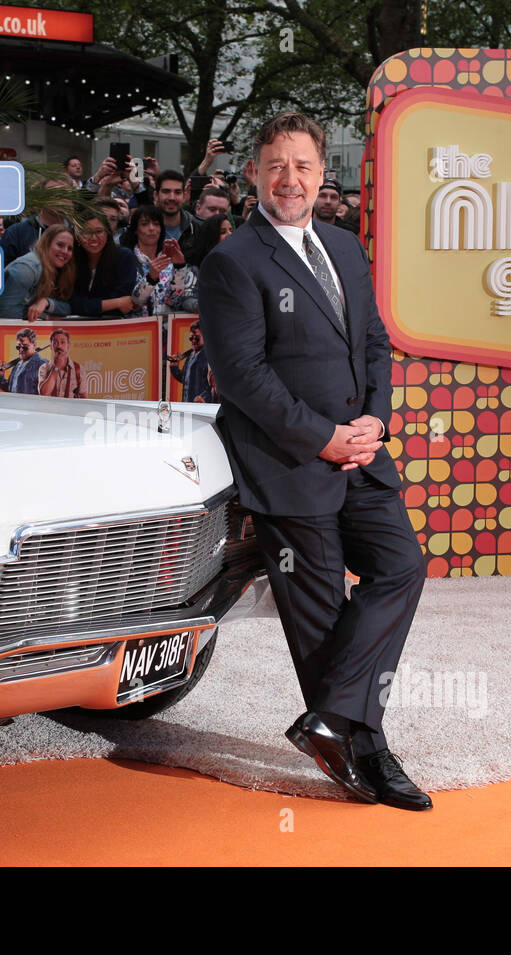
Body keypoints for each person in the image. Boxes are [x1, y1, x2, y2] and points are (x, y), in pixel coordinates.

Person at [198, 111, 431, 811]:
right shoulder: (232, 261)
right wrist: (322, 437)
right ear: (254, 174)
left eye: (302, 165)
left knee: (402, 566)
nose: (289, 179)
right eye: (275, 165)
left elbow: (376, 345)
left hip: (362, 457)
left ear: (324, 173)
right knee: (322, 614)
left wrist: (373, 423)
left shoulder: (344, 247)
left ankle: (331, 720)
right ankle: (367, 749)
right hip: (288, 466)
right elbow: (242, 377)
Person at [121, 205, 195, 315]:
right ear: (135, 229)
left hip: (167, 328)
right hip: (138, 328)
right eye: (144, 224)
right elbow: (133, 304)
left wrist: (179, 267)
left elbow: (176, 300)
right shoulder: (126, 259)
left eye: (156, 224)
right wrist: (150, 279)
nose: (151, 228)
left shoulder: (168, 259)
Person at [0, 224, 76, 322]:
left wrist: (46, 302)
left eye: (69, 248)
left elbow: (68, 308)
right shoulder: (26, 268)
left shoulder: (61, 269)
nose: (65, 251)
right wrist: (45, 317)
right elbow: (5, 311)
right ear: (46, 244)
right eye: (60, 245)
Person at [70, 213, 138, 317]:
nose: (93, 237)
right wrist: (116, 303)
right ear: (78, 236)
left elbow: (123, 306)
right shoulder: (70, 258)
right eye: (87, 232)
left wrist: (88, 306)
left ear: (108, 233)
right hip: (75, 327)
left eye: (99, 231)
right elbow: (71, 305)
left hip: (113, 326)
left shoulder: (124, 256)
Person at [165, 320, 212, 402]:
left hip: (203, 408)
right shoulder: (190, 356)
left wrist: (204, 398)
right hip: (187, 405)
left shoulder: (210, 357)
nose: (193, 340)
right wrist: (174, 367)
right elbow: (185, 379)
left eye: (196, 338)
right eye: (191, 338)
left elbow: (215, 385)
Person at [0, 327, 48, 394]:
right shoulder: (17, 365)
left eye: (25, 347)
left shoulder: (44, 365)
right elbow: (11, 389)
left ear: (34, 345)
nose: (21, 350)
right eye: (18, 347)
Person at [38, 327, 86, 398]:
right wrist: (56, 368)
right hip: (49, 408)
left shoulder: (79, 369)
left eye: (63, 342)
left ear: (68, 345)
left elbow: (83, 397)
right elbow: (44, 393)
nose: (59, 346)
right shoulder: (44, 368)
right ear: (51, 346)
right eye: (55, 342)